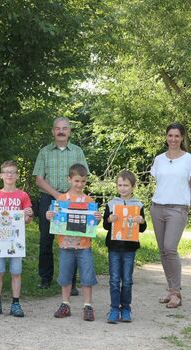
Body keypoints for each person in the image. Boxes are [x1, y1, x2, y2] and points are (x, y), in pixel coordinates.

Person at [33, 117, 88, 291]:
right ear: (53, 131)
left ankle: (70, 282)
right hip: (49, 199)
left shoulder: (78, 152)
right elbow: (39, 179)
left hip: (73, 200)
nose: (61, 131)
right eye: (58, 128)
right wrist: (58, 195)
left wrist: (68, 196)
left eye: (65, 128)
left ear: (69, 131)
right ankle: (45, 278)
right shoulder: (44, 152)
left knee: (73, 239)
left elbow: (83, 176)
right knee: (45, 240)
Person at [46, 163, 101, 321]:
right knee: (65, 275)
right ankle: (65, 304)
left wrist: (97, 219)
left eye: (83, 181)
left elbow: (93, 223)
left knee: (87, 276)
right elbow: (53, 218)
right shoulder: (61, 200)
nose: (80, 184)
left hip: (84, 246)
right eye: (77, 181)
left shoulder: (89, 200)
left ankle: (88, 306)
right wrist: (49, 215)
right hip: (65, 245)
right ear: (69, 179)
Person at [0, 160, 33, 317]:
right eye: (7, 172)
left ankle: (16, 304)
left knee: (16, 272)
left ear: (17, 176)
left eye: (13, 172)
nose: (10, 175)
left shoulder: (23, 195)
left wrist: (28, 215)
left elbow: (28, 218)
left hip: (16, 240)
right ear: (1, 176)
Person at [150, 122, 191, 309]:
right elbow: (159, 183)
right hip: (157, 207)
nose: (173, 139)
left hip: (178, 209)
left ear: (182, 138)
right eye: (170, 135)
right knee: (162, 251)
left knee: (170, 248)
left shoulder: (188, 159)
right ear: (166, 137)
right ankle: (170, 289)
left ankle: (176, 293)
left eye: (177, 136)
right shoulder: (159, 159)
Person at [103, 170, 147, 323]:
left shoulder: (138, 205)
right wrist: (109, 218)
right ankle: (114, 308)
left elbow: (142, 228)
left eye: (126, 185)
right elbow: (105, 226)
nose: (123, 188)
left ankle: (126, 308)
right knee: (114, 279)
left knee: (127, 280)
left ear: (133, 186)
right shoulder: (111, 204)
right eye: (120, 185)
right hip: (114, 247)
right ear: (116, 186)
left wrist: (141, 220)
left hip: (130, 249)